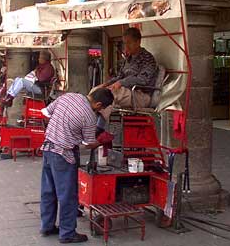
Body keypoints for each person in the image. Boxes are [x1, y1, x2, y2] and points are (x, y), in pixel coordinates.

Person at [39, 88, 114, 244]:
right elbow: (88, 144)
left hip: (47, 148)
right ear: (98, 104)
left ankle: (47, 226)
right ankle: (67, 233)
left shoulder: (68, 96)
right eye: (101, 108)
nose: (100, 111)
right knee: (68, 196)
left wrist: (58, 128)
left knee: (48, 191)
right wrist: (102, 140)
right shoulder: (89, 116)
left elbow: (45, 112)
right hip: (63, 155)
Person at [93, 27, 158, 124]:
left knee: (109, 95)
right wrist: (105, 84)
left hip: (141, 95)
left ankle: (99, 129)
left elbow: (143, 80)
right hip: (127, 92)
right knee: (96, 91)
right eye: (124, 43)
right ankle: (89, 124)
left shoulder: (147, 58)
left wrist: (122, 82)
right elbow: (119, 76)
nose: (126, 46)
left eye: (129, 43)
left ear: (138, 42)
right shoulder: (128, 59)